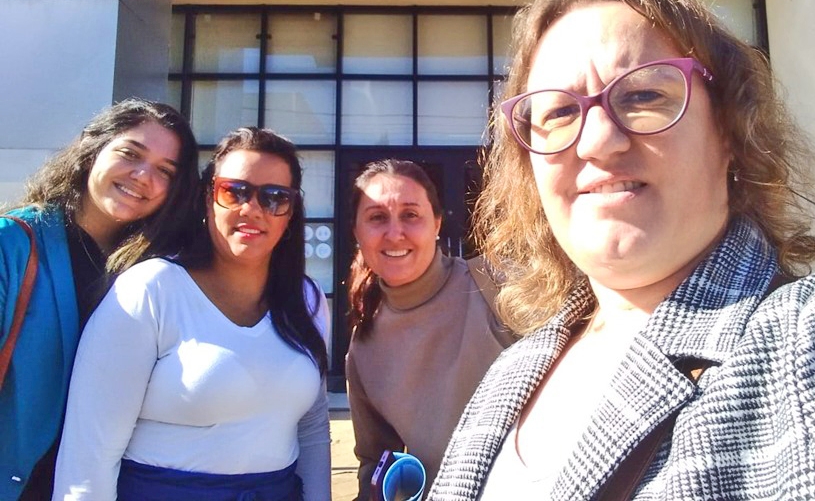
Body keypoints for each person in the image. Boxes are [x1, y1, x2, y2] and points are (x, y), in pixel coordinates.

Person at [427, 0, 815, 500]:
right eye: (558, 112)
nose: (597, 141)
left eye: (644, 97)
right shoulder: (512, 373)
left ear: (730, 132)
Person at [52, 127, 331, 501]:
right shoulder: (151, 290)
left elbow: (311, 429)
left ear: (290, 213)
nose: (252, 209)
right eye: (234, 192)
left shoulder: (307, 300)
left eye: (275, 198)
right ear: (207, 198)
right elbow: (89, 454)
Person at [0, 98, 199, 501]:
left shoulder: (159, 271)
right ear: (92, 149)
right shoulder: (13, 245)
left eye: (165, 171)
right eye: (130, 153)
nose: (142, 176)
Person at [346, 159, 516, 500]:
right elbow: (376, 463)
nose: (395, 233)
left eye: (410, 215)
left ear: (437, 223)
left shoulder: (501, 287)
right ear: (357, 233)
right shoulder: (363, 347)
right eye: (377, 217)